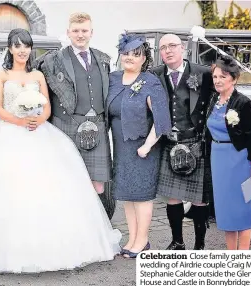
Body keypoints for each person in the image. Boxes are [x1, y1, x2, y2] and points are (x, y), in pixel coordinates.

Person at [0, 28, 121, 273]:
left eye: (26, 46)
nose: (22, 50)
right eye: (17, 46)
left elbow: (47, 106)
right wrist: (20, 120)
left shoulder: (38, 75)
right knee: (10, 188)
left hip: (39, 133)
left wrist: (39, 119)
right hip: (9, 134)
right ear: (10, 49)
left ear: (30, 49)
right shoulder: (2, 75)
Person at [36, 12, 114, 216]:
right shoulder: (53, 60)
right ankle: (72, 226)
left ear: (91, 33)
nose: (80, 35)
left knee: (98, 184)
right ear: (68, 33)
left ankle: (96, 226)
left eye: (84, 31)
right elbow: (34, 84)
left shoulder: (103, 59)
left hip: (97, 125)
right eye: (76, 31)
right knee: (69, 181)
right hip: (67, 125)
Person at [107, 34, 171, 258]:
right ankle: (132, 239)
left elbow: (161, 119)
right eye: (126, 53)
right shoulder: (113, 79)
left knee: (142, 196)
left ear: (144, 58)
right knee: (127, 195)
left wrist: (147, 145)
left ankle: (142, 240)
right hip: (121, 148)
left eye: (136, 54)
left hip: (143, 149)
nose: (130, 58)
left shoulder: (150, 81)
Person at [152, 34, 214, 251]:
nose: (168, 51)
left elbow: (223, 93)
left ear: (183, 48)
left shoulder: (203, 73)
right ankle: (177, 241)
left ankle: (199, 245)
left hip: (196, 142)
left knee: (199, 199)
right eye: (163, 48)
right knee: (172, 196)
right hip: (170, 143)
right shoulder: (155, 74)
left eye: (172, 46)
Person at [205, 55, 251, 250]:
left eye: (223, 77)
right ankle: (231, 254)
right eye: (215, 77)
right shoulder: (213, 99)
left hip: (240, 159)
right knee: (226, 210)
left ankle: (242, 256)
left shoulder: (243, 102)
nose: (218, 81)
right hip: (219, 159)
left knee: (243, 208)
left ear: (234, 79)